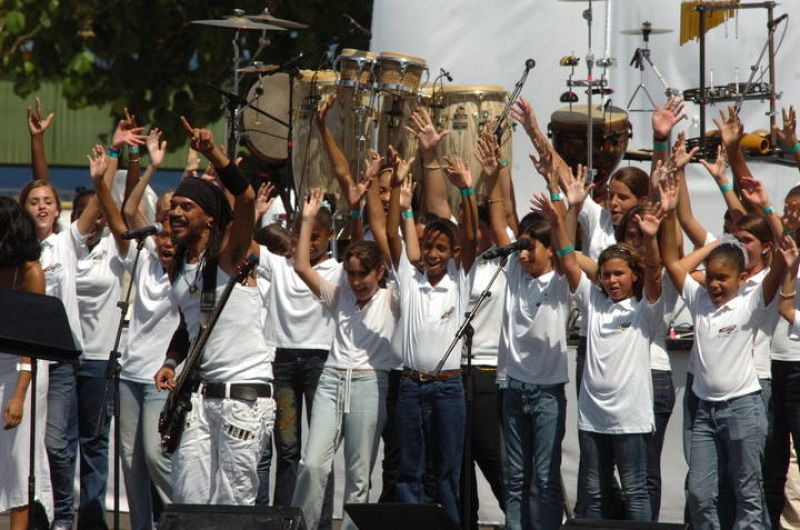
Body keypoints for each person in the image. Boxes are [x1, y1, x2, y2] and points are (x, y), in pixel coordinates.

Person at [153, 119, 274, 504]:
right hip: (201, 399)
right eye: (173, 206)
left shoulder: (227, 257)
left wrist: (214, 155)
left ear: (208, 217)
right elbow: (191, 327)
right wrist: (172, 361)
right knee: (188, 497)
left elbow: (248, 200)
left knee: (233, 504)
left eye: (186, 206)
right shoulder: (176, 265)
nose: (175, 212)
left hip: (243, 399)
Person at [660, 165, 786, 528]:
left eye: (722, 279)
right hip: (704, 413)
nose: (713, 285)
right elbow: (671, 260)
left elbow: (782, 258)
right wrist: (668, 213)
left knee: (748, 493)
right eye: (710, 278)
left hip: (744, 407)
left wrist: (765, 209)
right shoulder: (699, 299)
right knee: (700, 494)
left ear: (742, 278)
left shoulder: (750, 302)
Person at [545, 162, 668, 521]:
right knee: (593, 496)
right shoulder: (592, 302)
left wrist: (651, 237)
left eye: (619, 274)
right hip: (592, 420)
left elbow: (657, 276)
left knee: (635, 493)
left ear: (633, 275)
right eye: (607, 275)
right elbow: (568, 261)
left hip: (631, 419)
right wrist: (562, 212)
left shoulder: (645, 310)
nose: (612, 281)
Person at [291, 186, 400, 530]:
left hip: (371, 383)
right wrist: (308, 219)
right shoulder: (339, 296)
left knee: (358, 477)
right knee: (312, 465)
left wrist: (393, 196)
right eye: (350, 274)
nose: (355, 282)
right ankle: (304, 526)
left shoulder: (393, 299)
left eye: (362, 275)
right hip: (331, 380)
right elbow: (301, 265)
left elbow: (393, 248)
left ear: (379, 272)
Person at [88, 128, 178, 530]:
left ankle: (188, 515)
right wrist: (143, 167)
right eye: (162, 236)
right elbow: (124, 210)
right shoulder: (141, 256)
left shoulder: (190, 273)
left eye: (174, 238)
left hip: (163, 379)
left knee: (157, 456)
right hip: (130, 375)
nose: (166, 244)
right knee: (130, 460)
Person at [484, 133, 570, 530]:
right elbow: (501, 216)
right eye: (521, 247)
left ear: (549, 249)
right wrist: (496, 170)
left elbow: (565, 235)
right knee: (514, 478)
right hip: (513, 388)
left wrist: (553, 188)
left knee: (544, 479)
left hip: (548, 392)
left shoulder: (561, 280)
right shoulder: (516, 270)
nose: (522, 254)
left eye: (531, 247)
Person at [390, 150, 478, 525]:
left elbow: (473, 235)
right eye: (427, 248)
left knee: (446, 473)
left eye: (441, 249)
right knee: (409, 471)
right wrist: (396, 188)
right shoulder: (410, 280)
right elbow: (386, 230)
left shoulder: (460, 280)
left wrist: (468, 191)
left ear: (454, 253)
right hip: (410, 387)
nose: (432, 254)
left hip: (448, 389)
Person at [0, 196, 49, 530]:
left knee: (19, 463)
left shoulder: (30, 272)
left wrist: (19, 395)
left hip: (22, 369)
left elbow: (32, 344)